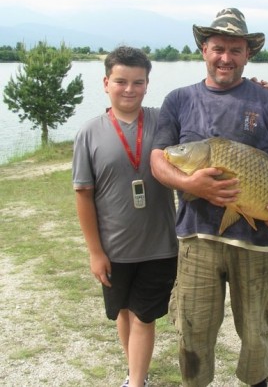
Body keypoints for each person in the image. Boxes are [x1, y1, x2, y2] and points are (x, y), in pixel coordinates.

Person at [150, 8, 268, 387]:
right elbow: (159, 159)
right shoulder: (178, 100)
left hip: (255, 243)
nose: (225, 57)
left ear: (248, 54)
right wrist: (191, 185)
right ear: (204, 49)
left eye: (235, 49)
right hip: (197, 239)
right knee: (192, 333)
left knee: (256, 333)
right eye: (218, 48)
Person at [72, 46, 178, 387]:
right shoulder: (89, 133)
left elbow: (209, 121)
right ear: (106, 83)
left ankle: (136, 382)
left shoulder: (164, 121)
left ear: (147, 84)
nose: (129, 89)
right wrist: (95, 252)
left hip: (160, 245)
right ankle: (135, 372)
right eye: (121, 81)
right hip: (114, 249)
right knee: (122, 312)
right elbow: (83, 195)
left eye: (138, 82)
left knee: (144, 316)